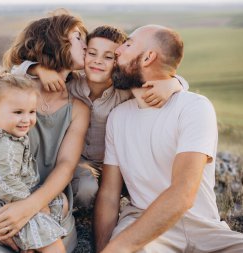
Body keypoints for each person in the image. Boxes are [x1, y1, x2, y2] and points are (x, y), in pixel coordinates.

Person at [95, 24, 243, 253]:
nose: (117, 51)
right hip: (140, 222)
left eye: (128, 44)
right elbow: (109, 195)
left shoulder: (194, 107)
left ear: (148, 57)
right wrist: (105, 247)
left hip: (203, 227)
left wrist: (120, 247)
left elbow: (183, 193)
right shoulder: (118, 117)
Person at [0, 11, 90, 253]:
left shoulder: (77, 107)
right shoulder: (6, 92)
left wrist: (28, 207)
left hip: (44, 202)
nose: (86, 45)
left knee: (48, 244)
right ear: (56, 42)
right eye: (78, 38)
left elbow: (66, 166)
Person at [13, 25, 189, 208]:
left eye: (108, 57)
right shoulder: (70, 84)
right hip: (79, 162)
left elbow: (166, 79)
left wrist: (174, 84)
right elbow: (14, 72)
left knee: (143, 189)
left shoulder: (124, 90)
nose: (98, 61)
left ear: (119, 60)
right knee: (86, 189)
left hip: (114, 165)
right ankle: (79, 213)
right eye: (92, 53)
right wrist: (38, 69)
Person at [0, 70, 69, 252]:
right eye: (18, 112)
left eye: (32, 112)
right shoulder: (3, 145)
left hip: (20, 196)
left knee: (61, 202)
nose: (26, 119)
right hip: (11, 206)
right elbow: (6, 184)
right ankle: (35, 237)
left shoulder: (9, 136)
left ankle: (30, 242)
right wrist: (36, 206)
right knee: (55, 247)